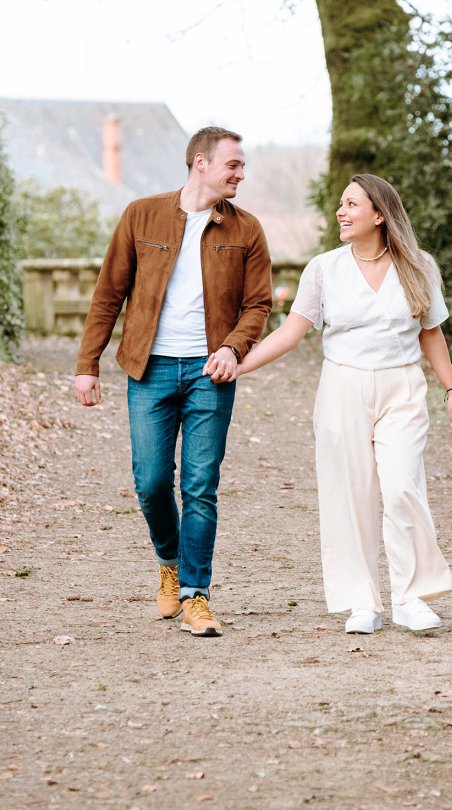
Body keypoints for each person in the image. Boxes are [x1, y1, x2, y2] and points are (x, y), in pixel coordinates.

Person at [205, 173, 452, 634]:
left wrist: (451, 388)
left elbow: (431, 332)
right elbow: (290, 332)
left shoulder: (419, 265)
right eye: (341, 205)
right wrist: (239, 363)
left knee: (404, 488)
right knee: (350, 495)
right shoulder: (324, 268)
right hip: (342, 388)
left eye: (351, 205)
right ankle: (361, 602)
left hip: (402, 388)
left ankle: (412, 597)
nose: (341, 213)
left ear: (380, 215)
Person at [74, 126, 272, 638]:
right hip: (149, 369)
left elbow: (259, 305)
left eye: (242, 166)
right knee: (152, 483)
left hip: (211, 371)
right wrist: (86, 364)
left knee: (201, 486)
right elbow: (108, 293)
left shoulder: (246, 229)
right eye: (234, 164)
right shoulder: (142, 214)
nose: (241, 173)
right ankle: (169, 559)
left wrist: (233, 346)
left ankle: (195, 594)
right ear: (201, 163)